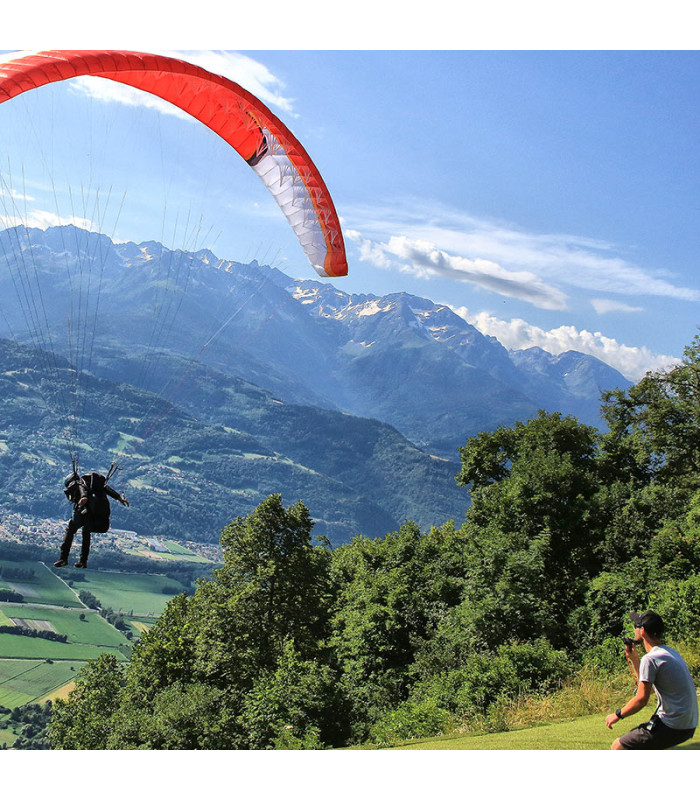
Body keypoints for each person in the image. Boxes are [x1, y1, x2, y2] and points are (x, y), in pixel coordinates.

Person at [606, 610, 698, 749]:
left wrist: (618, 715)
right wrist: (635, 660)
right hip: (688, 724)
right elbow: (651, 690)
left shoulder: (650, 659)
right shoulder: (670, 652)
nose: (634, 629)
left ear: (642, 631)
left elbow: (642, 699)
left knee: (618, 746)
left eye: (636, 626)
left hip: (672, 724)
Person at [53, 470, 129, 569]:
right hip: (92, 514)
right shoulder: (93, 485)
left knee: (70, 530)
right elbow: (106, 488)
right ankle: (83, 561)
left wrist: (83, 497)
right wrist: (119, 498)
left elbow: (81, 489)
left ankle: (63, 558)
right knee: (86, 533)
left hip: (83, 510)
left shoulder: (78, 483)